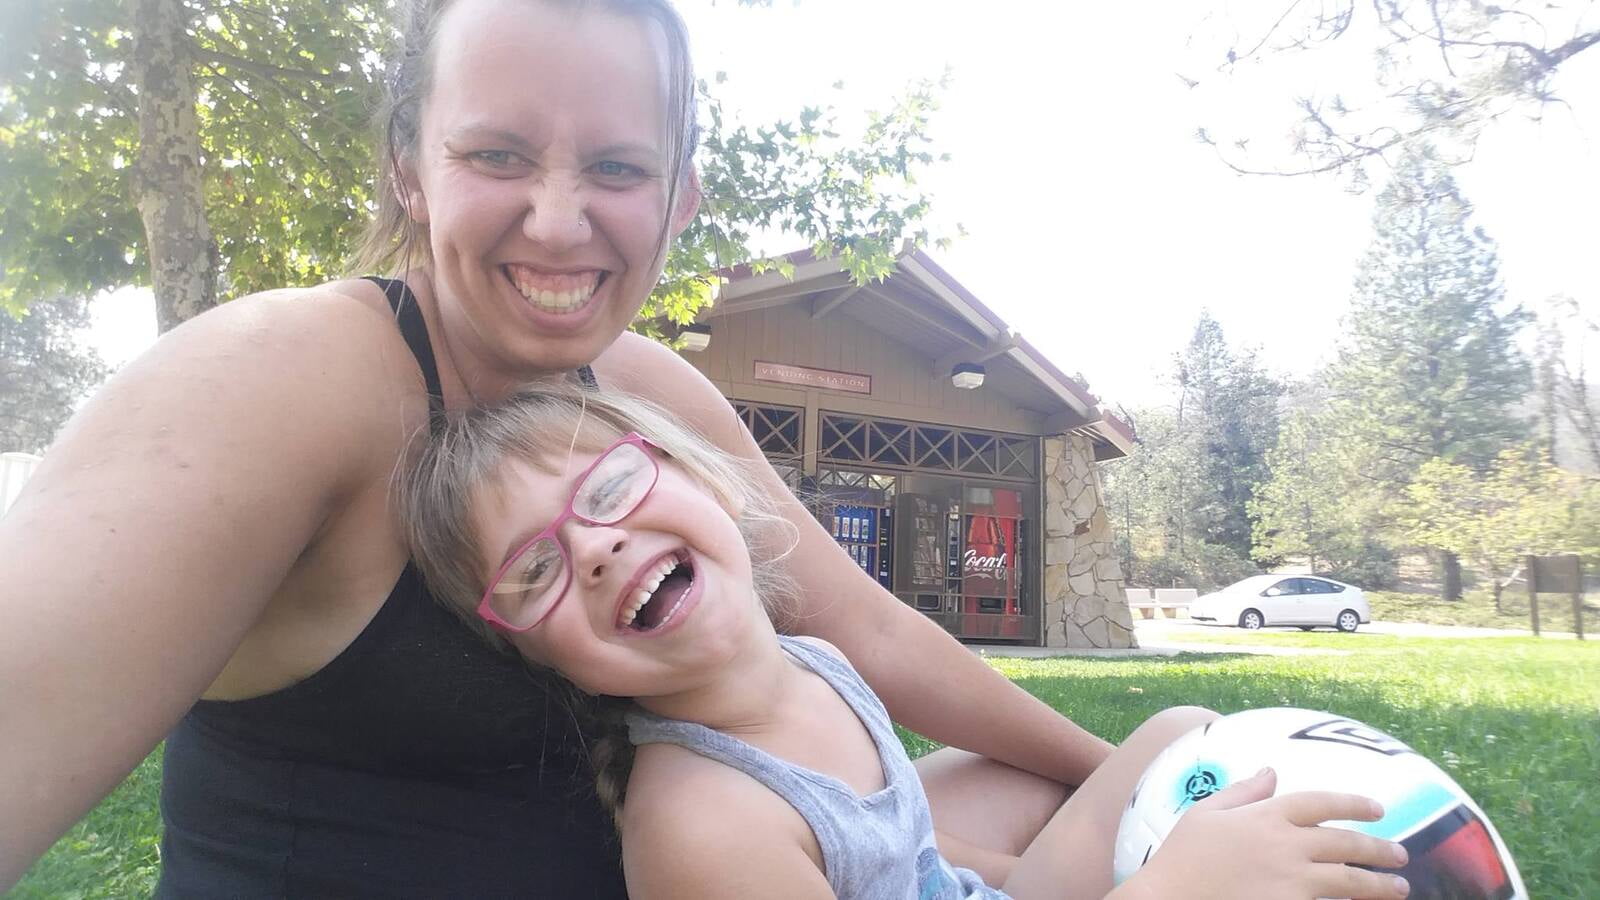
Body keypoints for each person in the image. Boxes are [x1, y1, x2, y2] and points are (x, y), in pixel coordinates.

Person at [2, 0, 1109, 893]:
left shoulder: (638, 384)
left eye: (619, 170)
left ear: (680, 199)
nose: (558, 220)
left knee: (1088, 791)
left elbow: (864, 626)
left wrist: (1126, 777)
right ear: (408, 167)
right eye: (496, 153)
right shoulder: (276, 378)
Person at [396, 383, 1414, 900]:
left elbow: (900, 849)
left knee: (1182, 733)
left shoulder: (813, 666)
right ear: (537, 657)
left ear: (709, 480)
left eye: (611, 485)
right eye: (535, 571)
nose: (601, 545)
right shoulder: (697, 826)